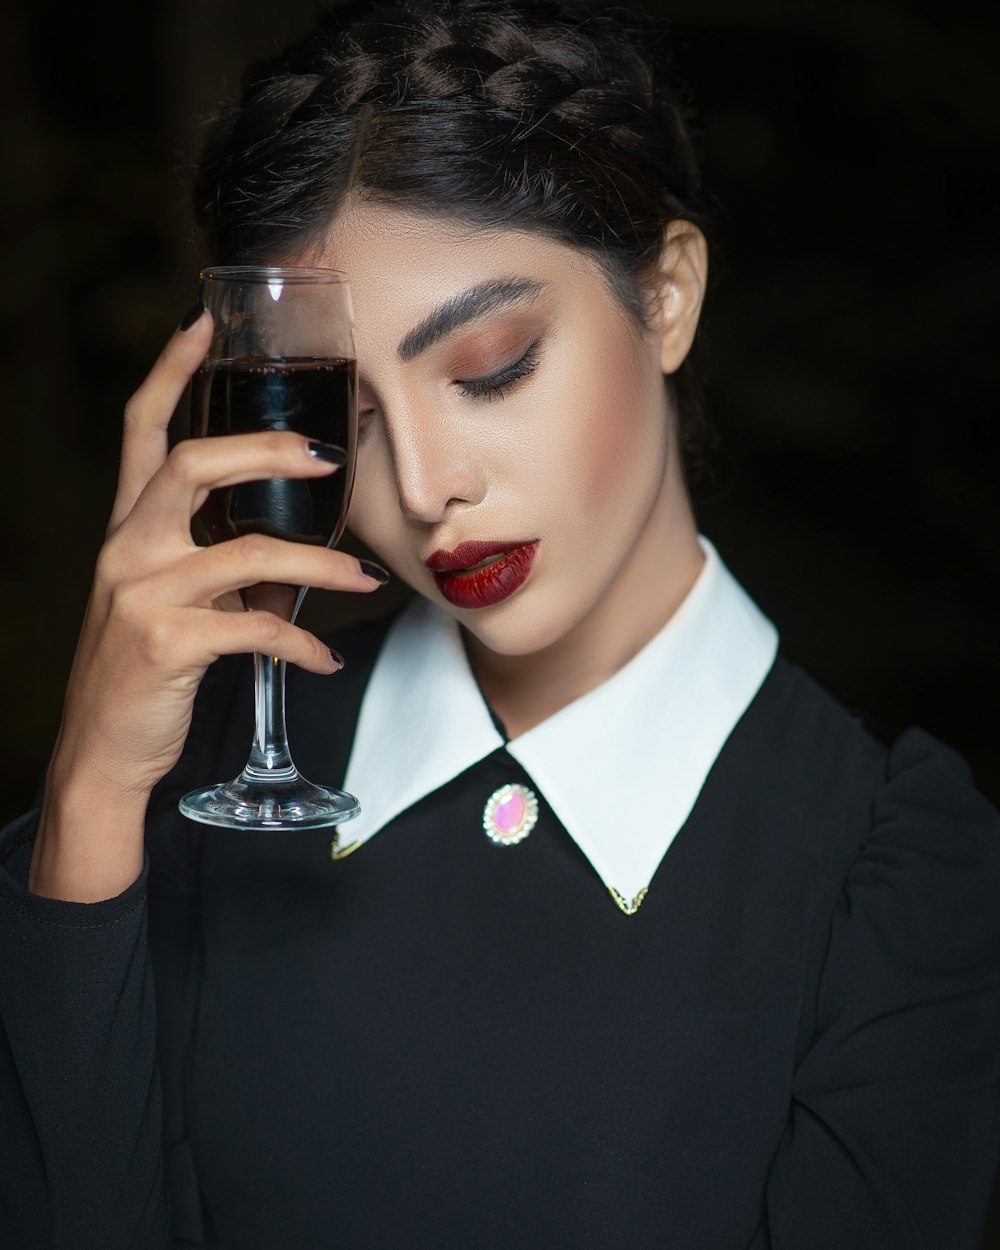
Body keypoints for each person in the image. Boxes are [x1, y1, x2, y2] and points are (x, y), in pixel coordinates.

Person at [1, 0, 998, 1246]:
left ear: (669, 294)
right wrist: (90, 792)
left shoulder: (895, 872)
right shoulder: (201, 786)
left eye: (489, 366)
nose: (424, 489)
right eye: (347, 420)